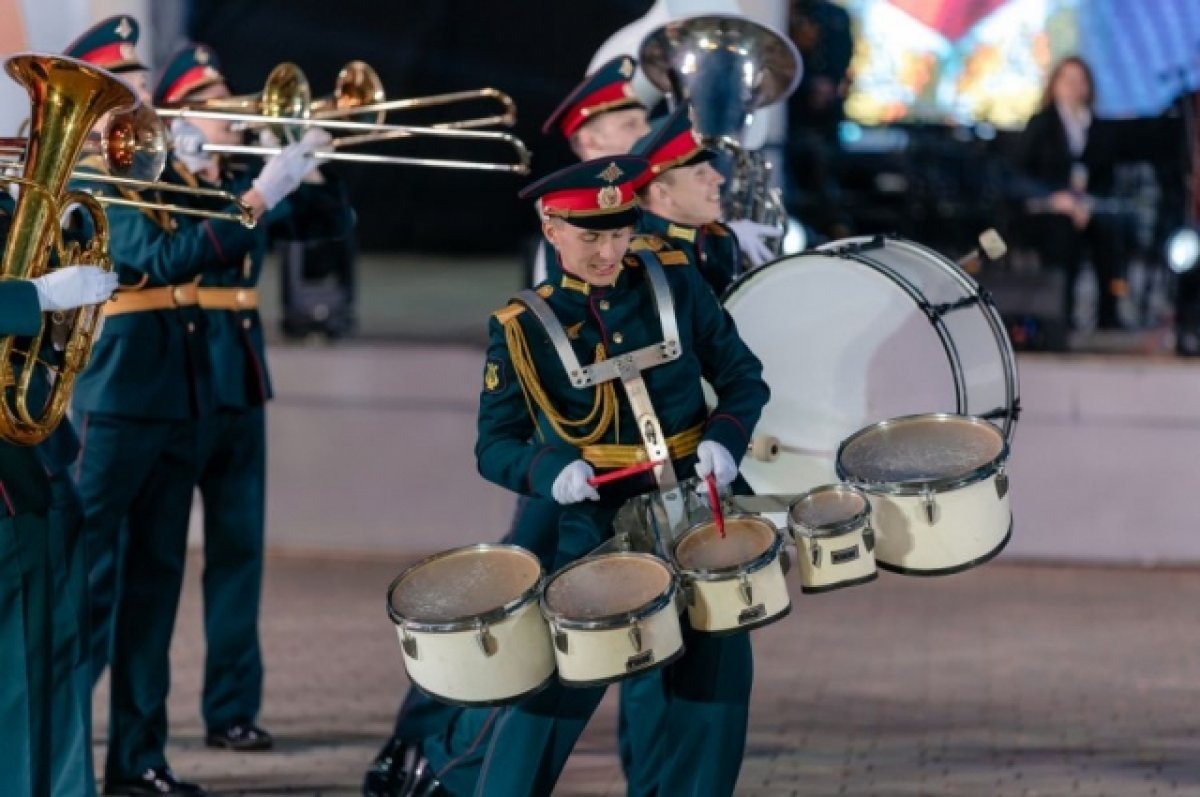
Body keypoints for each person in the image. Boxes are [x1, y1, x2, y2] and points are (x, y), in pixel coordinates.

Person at [467, 153, 769, 796]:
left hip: (698, 512)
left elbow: (743, 375)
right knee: (554, 696)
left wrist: (725, 438)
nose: (609, 252)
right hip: (598, 527)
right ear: (551, 228)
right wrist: (550, 471)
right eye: (591, 236)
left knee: (713, 698)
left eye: (620, 232)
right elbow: (494, 446)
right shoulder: (523, 329)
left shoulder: (676, 281)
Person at [71, 40, 326, 795]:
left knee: (153, 588)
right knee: (85, 589)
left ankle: (138, 760)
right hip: (115, 399)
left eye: (145, 84)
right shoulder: (91, 171)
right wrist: (256, 196)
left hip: (178, 396)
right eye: (129, 84)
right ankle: (47, 752)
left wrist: (286, 172)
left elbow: (235, 234)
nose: (144, 95)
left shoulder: (155, 165)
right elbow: (159, 254)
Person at [160, 45, 354, 758]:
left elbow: (331, 224)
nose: (236, 111)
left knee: (238, 558)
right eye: (216, 99)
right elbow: (178, 254)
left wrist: (311, 158)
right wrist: (264, 188)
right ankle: (91, 700)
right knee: (140, 565)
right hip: (174, 383)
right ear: (183, 111)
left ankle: (232, 708)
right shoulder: (161, 178)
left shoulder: (252, 175)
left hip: (240, 381)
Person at [0, 190, 117, 794]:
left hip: (37, 462)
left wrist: (70, 303)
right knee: (17, 675)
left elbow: (36, 348)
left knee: (60, 659)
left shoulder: (7, 204)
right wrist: (38, 297)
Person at [1013, 55, 1131, 331]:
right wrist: (1057, 198)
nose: (1074, 87)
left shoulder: (1099, 128)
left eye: (1080, 81)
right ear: (1054, 84)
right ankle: (1060, 314)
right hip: (1047, 208)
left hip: (1088, 207)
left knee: (1110, 233)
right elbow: (1021, 174)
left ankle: (1109, 314)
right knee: (1063, 236)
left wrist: (1087, 203)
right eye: (1067, 80)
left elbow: (1107, 177)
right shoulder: (1041, 125)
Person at [632, 103, 743, 295]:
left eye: (710, 167)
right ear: (662, 194)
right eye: (700, 173)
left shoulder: (718, 237)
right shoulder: (644, 260)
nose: (719, 178)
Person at [785, 0, 854, 239]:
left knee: (826, 172)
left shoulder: (836, 16)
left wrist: (829, 85)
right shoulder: (785, 13)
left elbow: (843, 56)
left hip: (826, 124)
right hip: (791, 119)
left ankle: (834, 227)